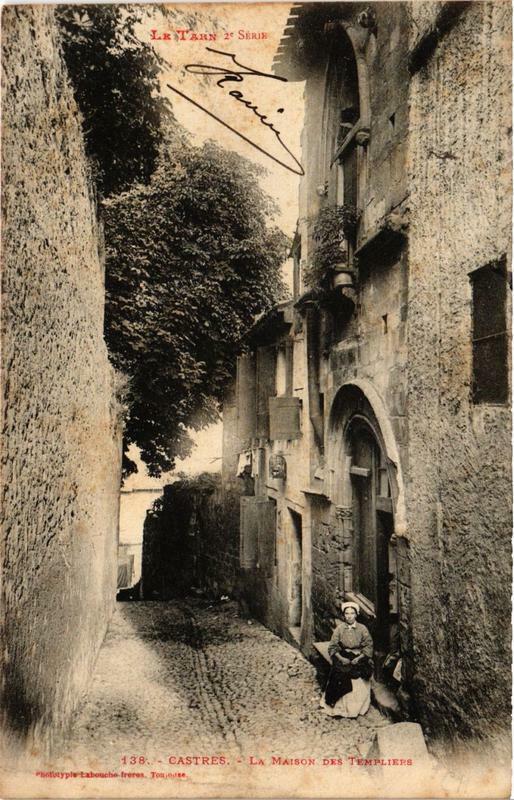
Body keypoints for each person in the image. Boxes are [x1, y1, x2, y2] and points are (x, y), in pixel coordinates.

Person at [319, 601, 373, 718]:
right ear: (344, 615)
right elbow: (332, 646)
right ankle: (336, 704)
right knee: (339, 673)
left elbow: (368, 647)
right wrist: (341, 658)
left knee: (356, 673)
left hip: (359, 657)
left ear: (356, 615)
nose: (349, 616)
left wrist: (359, 658)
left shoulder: (362, 629)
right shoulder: (339, 629)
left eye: (352, 613)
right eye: (347, 614)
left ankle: (354, 709)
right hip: (343, 655)